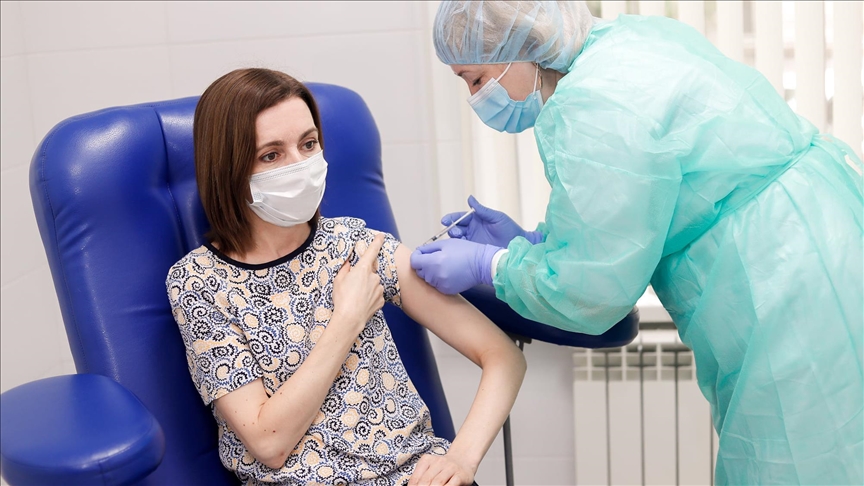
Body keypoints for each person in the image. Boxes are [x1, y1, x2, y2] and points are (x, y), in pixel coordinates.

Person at [409, 2, 863, 484]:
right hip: (820, 235)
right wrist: (533, 243)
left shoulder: (594, 107)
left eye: (476, 80)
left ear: (522, 46)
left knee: (800, 459)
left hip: (781, 278)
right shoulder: (627, 45)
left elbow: (590, 291)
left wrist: (490, 264)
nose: (476, 99)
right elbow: (624, 219)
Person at [165, 67, 526, 486]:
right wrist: (348, 318)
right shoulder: (199, 282)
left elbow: (503, 356)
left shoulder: (358, 247)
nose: (300, 166)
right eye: (271, 155)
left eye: (308, 144)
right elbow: (269, 443)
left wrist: (462, 458)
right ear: (227, 168)